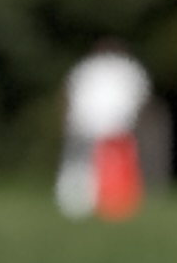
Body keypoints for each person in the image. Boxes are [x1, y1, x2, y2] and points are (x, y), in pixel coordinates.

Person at [57, 44, 152, 225]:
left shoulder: (90, 67)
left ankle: (87, 202)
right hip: (108, 125)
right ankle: (83, 202)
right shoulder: (127, 69)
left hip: (95, 124)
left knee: (84, 163)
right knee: (84, 163)